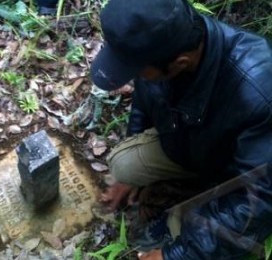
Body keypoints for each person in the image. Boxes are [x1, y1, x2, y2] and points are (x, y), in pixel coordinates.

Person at [90, 0, 272, 259]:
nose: (134, 78)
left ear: (180, 63)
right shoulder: (163, 42)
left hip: (238, 173)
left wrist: (172, 255)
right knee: (124, 165)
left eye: (138, 71)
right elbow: (144, 98)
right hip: (193, 144)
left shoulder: (259, 94)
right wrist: (131, 179)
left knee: (187, 230)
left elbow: (259, 203)